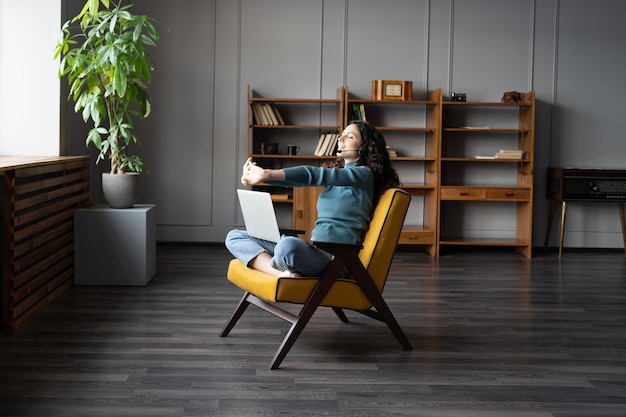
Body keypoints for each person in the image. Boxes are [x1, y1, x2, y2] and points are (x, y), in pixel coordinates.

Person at [225, 120, 399, 277]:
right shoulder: (338, 177)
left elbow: (314, 174)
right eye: (342, 133)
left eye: (350, 136)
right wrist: (261, 177)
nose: (341, 138)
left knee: (287, 246)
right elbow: (299, 180)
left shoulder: (364, 176)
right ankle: (280, 274)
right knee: (235, 236)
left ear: (364, 147)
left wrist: (266, 173)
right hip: (313, 250)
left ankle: (279, 264)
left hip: (336, 259)